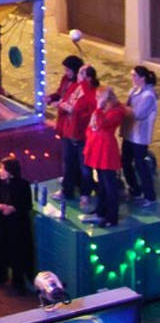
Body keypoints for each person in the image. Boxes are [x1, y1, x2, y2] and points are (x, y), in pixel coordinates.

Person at [51, 62, 96, 209]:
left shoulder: (92, 92)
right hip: (69, 131)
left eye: (81, 74)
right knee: (68, 162)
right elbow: (66, 101)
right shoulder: (74, 87)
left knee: (85, 166)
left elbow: (85, 112)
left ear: (88, 77)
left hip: (82, 135)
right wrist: (61, 104)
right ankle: (67, 190)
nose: (78, 76)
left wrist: (66, 107)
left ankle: (85, 193)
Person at [0, 155, 33, 293]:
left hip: (17, 224)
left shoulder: (23, 185)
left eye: (2, 169)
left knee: (17, 251)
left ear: (11, 172)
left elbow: (27, 205)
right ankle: (0, 277)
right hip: (2, 222)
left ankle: (18, 282)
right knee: (0, 248)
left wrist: (13, 208)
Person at [83, 86, 125, 227]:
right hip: (97, 147)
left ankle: (111, 216)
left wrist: (99, 109)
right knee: (101, 182)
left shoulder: (117, 111)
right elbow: (92, 126)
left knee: (109, 185)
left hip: (106, 150)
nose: (96, 100)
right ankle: (101, 211)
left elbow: (103, 124)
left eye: (98, 97)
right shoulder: (101, 110)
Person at [122, 65, 157, 207]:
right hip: (129, 134)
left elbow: (139, 114)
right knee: (125, 161)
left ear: (142, 78)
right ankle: (135, 189)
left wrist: (124, 109)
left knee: (140, 165)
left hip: (140, 137)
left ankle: (150, 196)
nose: (132, 78)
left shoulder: (148, 95)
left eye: (134, 76)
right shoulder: (134, 91)